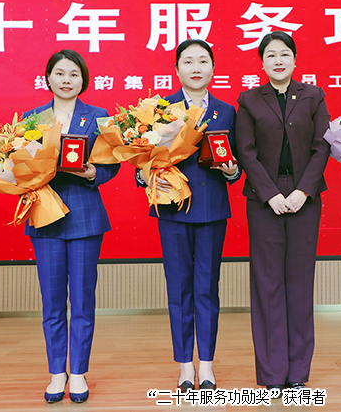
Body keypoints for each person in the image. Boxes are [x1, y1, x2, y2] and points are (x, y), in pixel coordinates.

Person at [136, 39, 240, 391]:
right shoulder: (160, 109)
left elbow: (237, 165)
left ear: (213, 68)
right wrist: (144, 174)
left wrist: (231, 170)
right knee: (179, 288)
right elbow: (142, 159)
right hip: (171, 208)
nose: (196, 67)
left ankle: (206, 366)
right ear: (177, 69)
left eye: (203, 61)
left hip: (211, 209)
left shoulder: (227, 111)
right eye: (188, 61)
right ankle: (184, 366)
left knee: (207, 289)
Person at [234, 31, 330, 392]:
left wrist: (304, 190)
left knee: (300, 285)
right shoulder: (249, 99)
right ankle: (272, 375)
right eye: (271, 55)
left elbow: (322, 147)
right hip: (264, 200)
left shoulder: (314, 95)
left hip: (306, 198)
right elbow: (245, 151)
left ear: (295, 60)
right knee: (267, 285)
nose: (278, 60)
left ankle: (297, 375)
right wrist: (270, 194)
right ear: (262, 62)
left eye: (285, 54)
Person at [24, 49, 120, 404]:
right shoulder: (31, 119)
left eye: (74, 74)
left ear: (84, 80)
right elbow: (19, 165)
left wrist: (95, 172)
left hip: (85, 217)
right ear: (48, 78)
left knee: (82, 300)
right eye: (60, 73)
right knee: (52, 301)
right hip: (46, 217)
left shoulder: (97, 117)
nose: (67, 80)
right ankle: (56, 373)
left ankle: (78, 372)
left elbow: (113, 163)